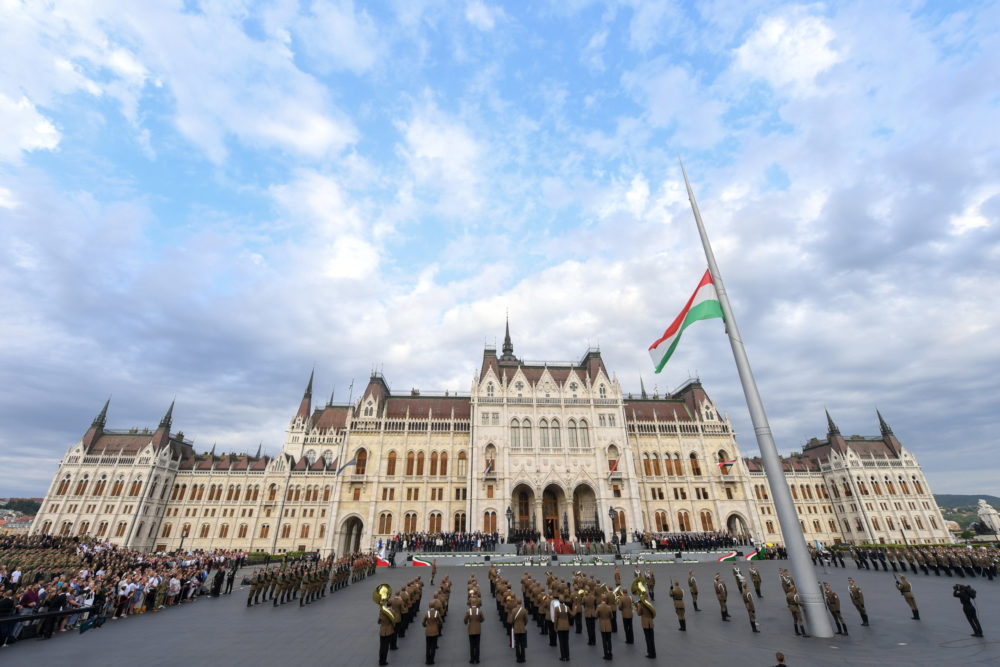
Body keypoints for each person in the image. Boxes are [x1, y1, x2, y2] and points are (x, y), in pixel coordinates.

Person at [636, 590, 655, 659]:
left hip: (645, 623)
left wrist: (637, 608)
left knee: (647, 638)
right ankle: (653, 653)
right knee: (652, 639)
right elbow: (653, 613)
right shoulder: (650, 603)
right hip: (650, 622)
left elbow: (639, 613)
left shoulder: (642, 605)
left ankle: (650, 653)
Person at [509, 597, 528, 664]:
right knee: (522, 644)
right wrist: (523, 624)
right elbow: (526, 620)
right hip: (522, 628)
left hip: (516, 628)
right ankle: (523, 658)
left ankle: (518, 658)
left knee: (517, 644)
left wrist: (513, 624)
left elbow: (511, 620)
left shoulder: (513, 610)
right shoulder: (524, 610)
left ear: (516, 603)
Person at [597, 593, 614, 660]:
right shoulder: (609, 607)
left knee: (604, 640)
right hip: (608, 624)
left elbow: (596, 615)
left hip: (602, 624)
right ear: (606, 600)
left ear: (601, 599)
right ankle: (610, 652)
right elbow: (611, 616)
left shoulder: (599, 607)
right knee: (609, 640)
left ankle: (606, 654)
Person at [555, 596, 571, 661]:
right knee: (566, 642)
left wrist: (555, 627)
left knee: (561, 642)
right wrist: (575, 608)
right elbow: (572, 614)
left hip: (560, 626)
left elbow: (556, 619)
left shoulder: (556, 608)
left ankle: (563, 656)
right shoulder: (567, 608)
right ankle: (567, 656)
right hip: (566, 626)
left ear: (559, 601)